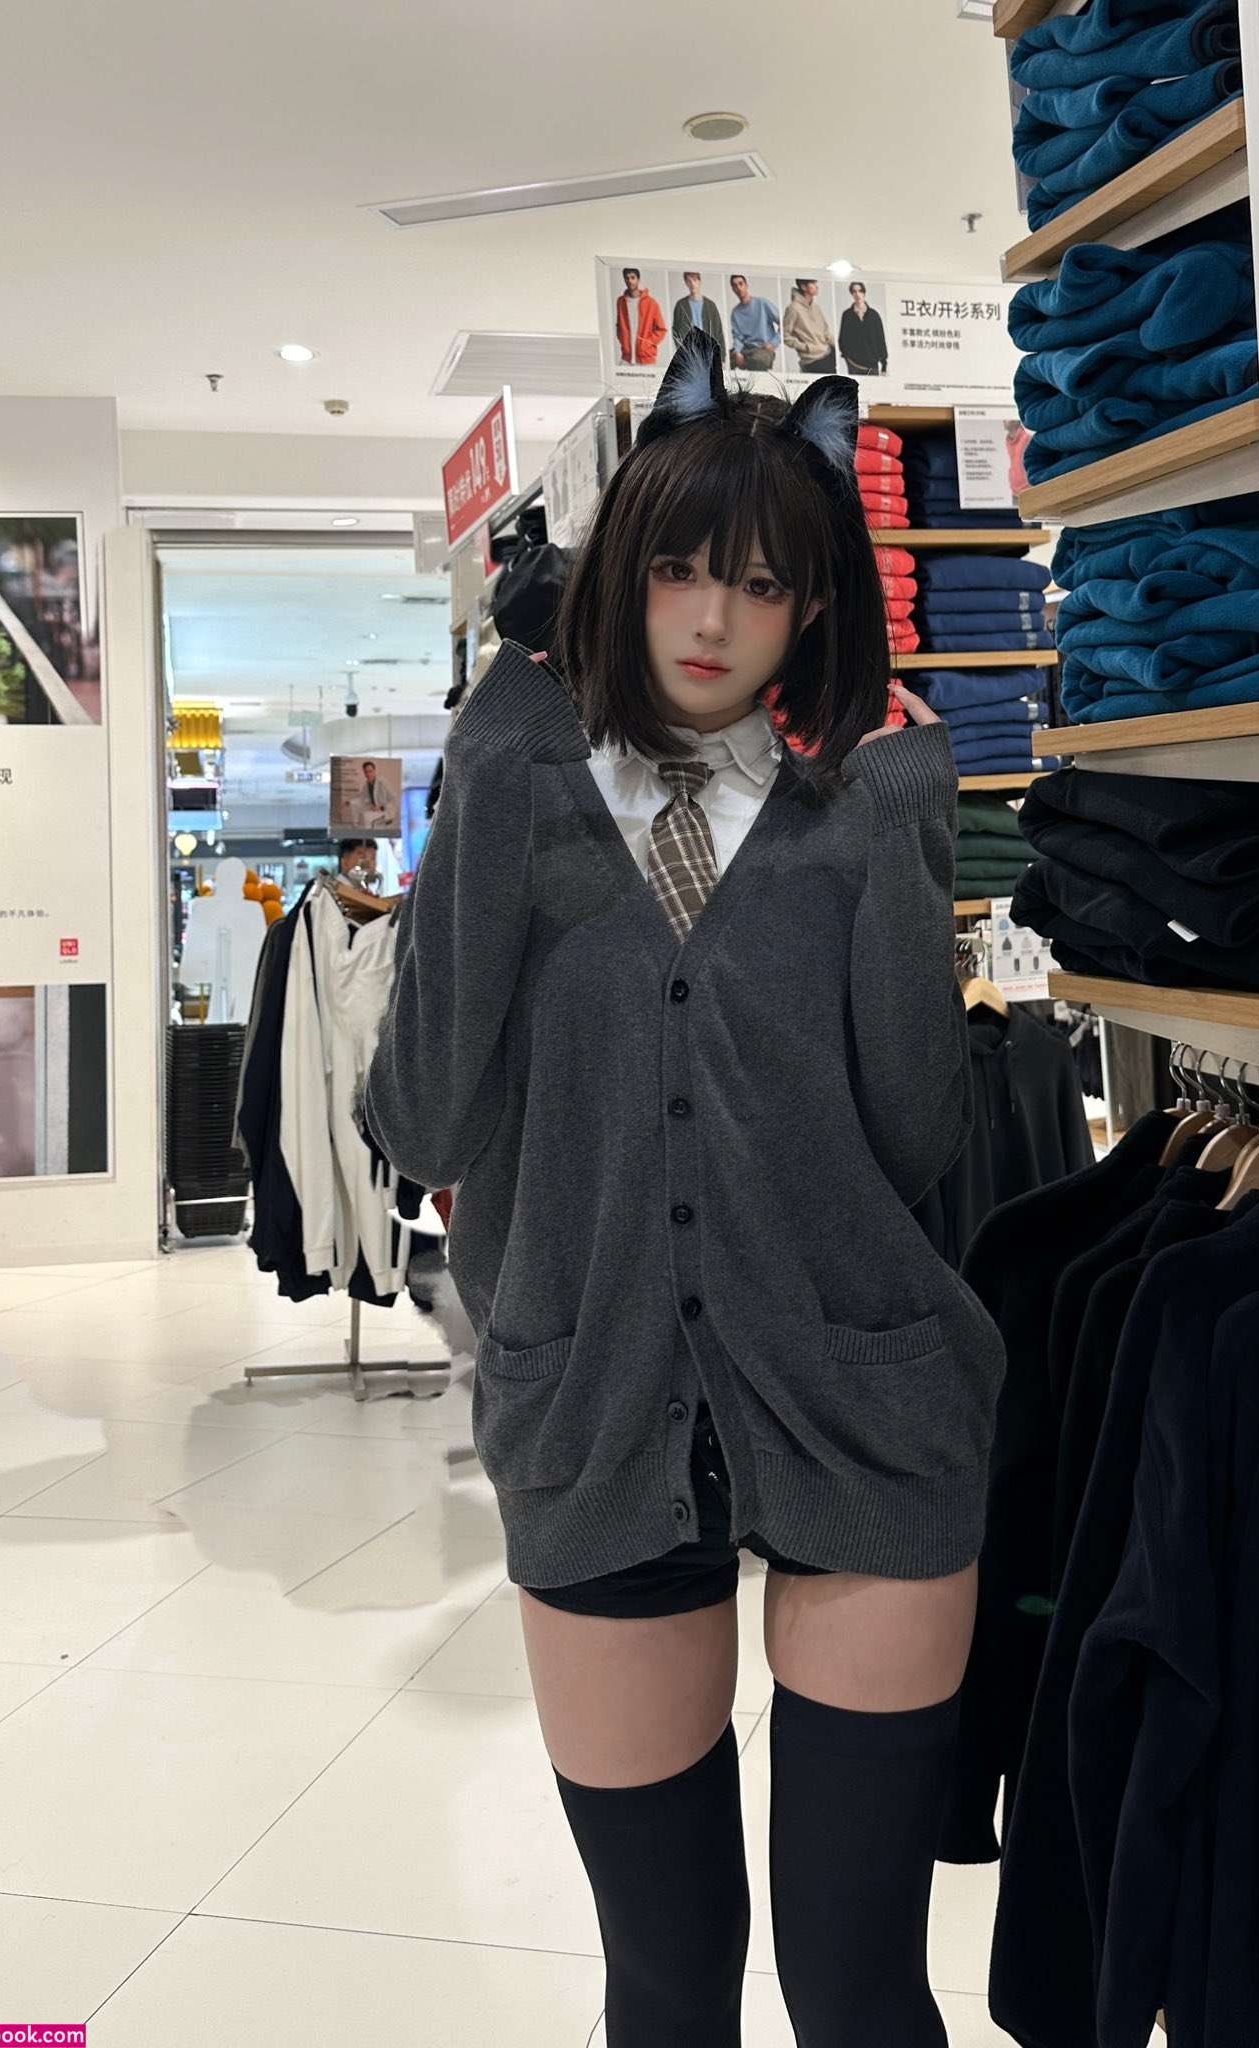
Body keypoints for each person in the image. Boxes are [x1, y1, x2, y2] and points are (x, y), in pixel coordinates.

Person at [367, 328, 1004, 2048]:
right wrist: (489, 773)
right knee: (664, 1981)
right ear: (620, 571)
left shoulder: (846, 814)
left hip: (867, 1408)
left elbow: (917, 1136)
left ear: (814, 612)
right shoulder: (523, 801)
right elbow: (419, 1112)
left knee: (857, 1985)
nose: (713, 620)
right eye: (677, 570)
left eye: (765, 586)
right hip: (591, 1413)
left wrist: (906, 827)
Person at [783, 277, 837, 375]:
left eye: (816, 283)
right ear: (803, 287)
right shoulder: (793, 308)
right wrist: (807, 348)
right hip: (813, 360)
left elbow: (826, 332)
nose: (817, 286)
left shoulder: (816, 307)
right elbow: (784, 336)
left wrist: (838, 347)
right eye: (813, 283)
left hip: (829, 353)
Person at [727, 273, 780, 372]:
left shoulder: (762, 303)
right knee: (720, 359)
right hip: (745, 350)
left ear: (746, 285)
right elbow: (737, 337)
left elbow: (784, 323)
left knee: (758, 361)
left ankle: (747, 364)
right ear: (733, 289)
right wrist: (737, 352)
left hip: (762, 350)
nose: (738, 288)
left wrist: (774, 343)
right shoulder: (735, 312)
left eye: (740, 284)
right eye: (735, 285)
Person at [616, 267, 668, 366]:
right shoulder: (621, 301)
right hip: (626, 358)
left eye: (633, 277)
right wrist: (623, 340)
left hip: (646, 358)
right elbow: (619, 325)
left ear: (638, 280)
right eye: (627, 278)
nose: (630, 281)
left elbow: (661, 330)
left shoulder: (651, 303)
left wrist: (646, 343)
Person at [839, 280, 889, 377]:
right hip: (854, 364)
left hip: (872, 365)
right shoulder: (847, 315)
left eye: (860, 291)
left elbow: (880, 339)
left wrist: (884, 365)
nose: (857, 294)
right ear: (852, 294)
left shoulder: (874, 315)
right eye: (854, 291)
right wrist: (847, 357)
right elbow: (842, 338)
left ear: (864, 293)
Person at [672, 270, 726, 353]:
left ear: (699, 281)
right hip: (689, 351)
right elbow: (675, 330)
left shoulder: (711, 306)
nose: (692, 284)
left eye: (694, 280)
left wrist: (721, 356)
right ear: (686, 283)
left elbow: (719, 332)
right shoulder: (680, 305)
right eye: (689, 281)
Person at [346, 760, 394, 829]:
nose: (368, 774)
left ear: (374, 771)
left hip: (384, 810)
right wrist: (349, 802)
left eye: (370, 771)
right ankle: (355, 825)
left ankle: (370, 832)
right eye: (366, 772)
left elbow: (393, 799)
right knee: (354, 804)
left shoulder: (383, 783)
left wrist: (381, 807)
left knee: (367, 816)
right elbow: (361, 797)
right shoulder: (367, 784)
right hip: (373, 807)